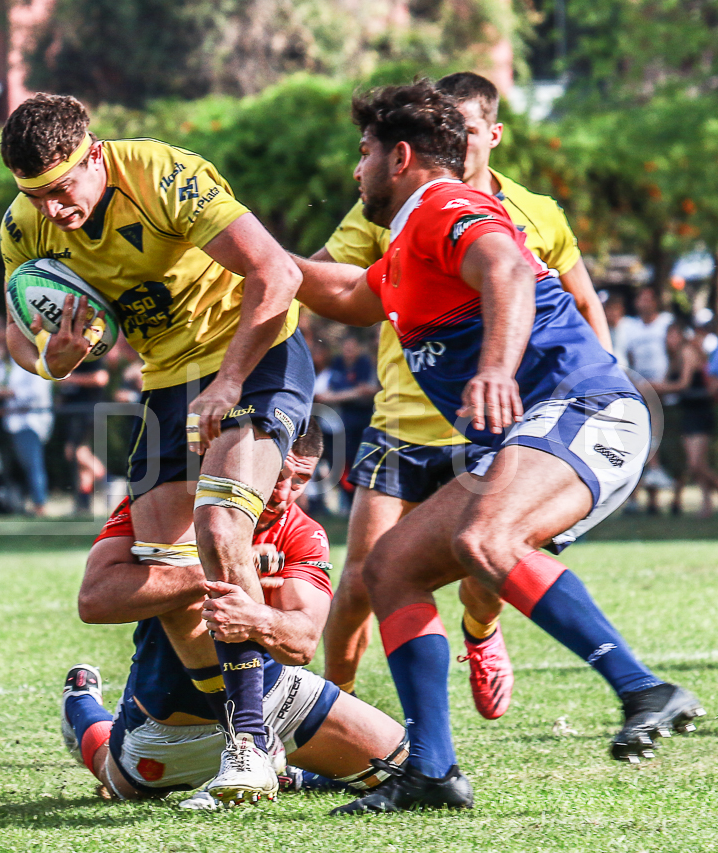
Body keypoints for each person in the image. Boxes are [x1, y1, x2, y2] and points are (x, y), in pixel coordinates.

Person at [293, 79, 702, 814]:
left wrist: (492, 369)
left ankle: (645, 688)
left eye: (364, 153)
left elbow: (508, 268)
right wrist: (244, 252)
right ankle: (431, 770)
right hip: (542, 425)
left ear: (401, 157)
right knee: (389, 568)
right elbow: (349, 294)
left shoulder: (444, 205)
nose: (356, 171)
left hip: (586, 408)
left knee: (487, 538)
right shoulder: (408, 241)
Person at [0, 93, 313, 803]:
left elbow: (278, 274)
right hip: (168, 380)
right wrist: (52, 358)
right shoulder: (24, 222)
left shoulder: (162, 175)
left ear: (95, 154)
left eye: (62, 188)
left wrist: (228, 380)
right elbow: (20, 338)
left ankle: (252, 740)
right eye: (35, 194)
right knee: (163, 568)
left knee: (219, 526)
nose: (51, 208)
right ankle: (236, 722)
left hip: (257, 352)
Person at [311, 72, 614, 719]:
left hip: (496, 420)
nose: (460, 139)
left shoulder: (534, 213)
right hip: (402, 418)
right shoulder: (391, 204)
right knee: (363, 576)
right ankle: (335, 716)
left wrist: (593, 394)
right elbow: (338, 283)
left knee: (484, 567)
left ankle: (481, 631)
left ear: (492, 134)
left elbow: (576, 300)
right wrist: (266, 273)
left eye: (470, 128)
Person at [63, 423, 411, 804]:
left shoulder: (302, 533)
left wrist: (256, 617)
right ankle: (80, 703)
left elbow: (303, 643)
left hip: (274, 695)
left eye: (300, 481)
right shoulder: (167, 506)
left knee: (403, 766)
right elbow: (93, 600)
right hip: (176, 721)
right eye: (277, 475)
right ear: (252, 462)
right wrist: (223, 567)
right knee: (115, 777)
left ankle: (278, 760)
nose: (284, 493)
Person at [621, 288, 676, 513]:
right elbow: (630, 356)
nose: (643, 303)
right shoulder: (630, 327)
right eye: (640, 298)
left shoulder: (666, 322)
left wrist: (667, 381)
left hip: (666, 392)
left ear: (656, 301)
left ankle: (660, 494)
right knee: (642, 440)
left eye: (647, 298)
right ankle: (645, 495)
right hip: (642, 390)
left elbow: (675, 352)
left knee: (665, 443)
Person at [655, 323, 718, 516]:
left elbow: (683, 384)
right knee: (697, 465)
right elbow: (666, 382)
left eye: (674, 335)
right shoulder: (674, 358)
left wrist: (655, 387)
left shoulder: (687, 352)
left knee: (695, 464)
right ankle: (707, 504)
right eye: (669, 336)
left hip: (700, 412)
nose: (671, 340)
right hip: (688, 412)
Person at [316, 332, 379, 508]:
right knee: (344, 462)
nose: (348, 351)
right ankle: (349, 501)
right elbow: (325, 394)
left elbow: (368, 391)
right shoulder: (337, 365)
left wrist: (337, 396)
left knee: (363, 461)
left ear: (358, 348)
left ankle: (362, 502)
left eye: (352, 348)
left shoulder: (365, 364)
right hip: (343, 424)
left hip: (365, 421)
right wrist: (354, 392)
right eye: (346, 347)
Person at [56, 358, 109, 514]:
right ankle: (83, 503)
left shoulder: (91, 356)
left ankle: (108, 479)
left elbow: (101, 378)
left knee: (74, 452)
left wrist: (71, 379)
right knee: (80, 458)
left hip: (87, 411)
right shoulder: (68, 357)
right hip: (73, 413)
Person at [3, 357, 53, 516]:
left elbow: (36, 393)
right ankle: (33, 502)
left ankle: (40, 505)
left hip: (30, 422)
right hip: (17, 422)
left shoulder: (36, 362)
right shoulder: (13, 361)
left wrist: (12, 393)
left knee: (33, 464)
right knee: (26, 465)